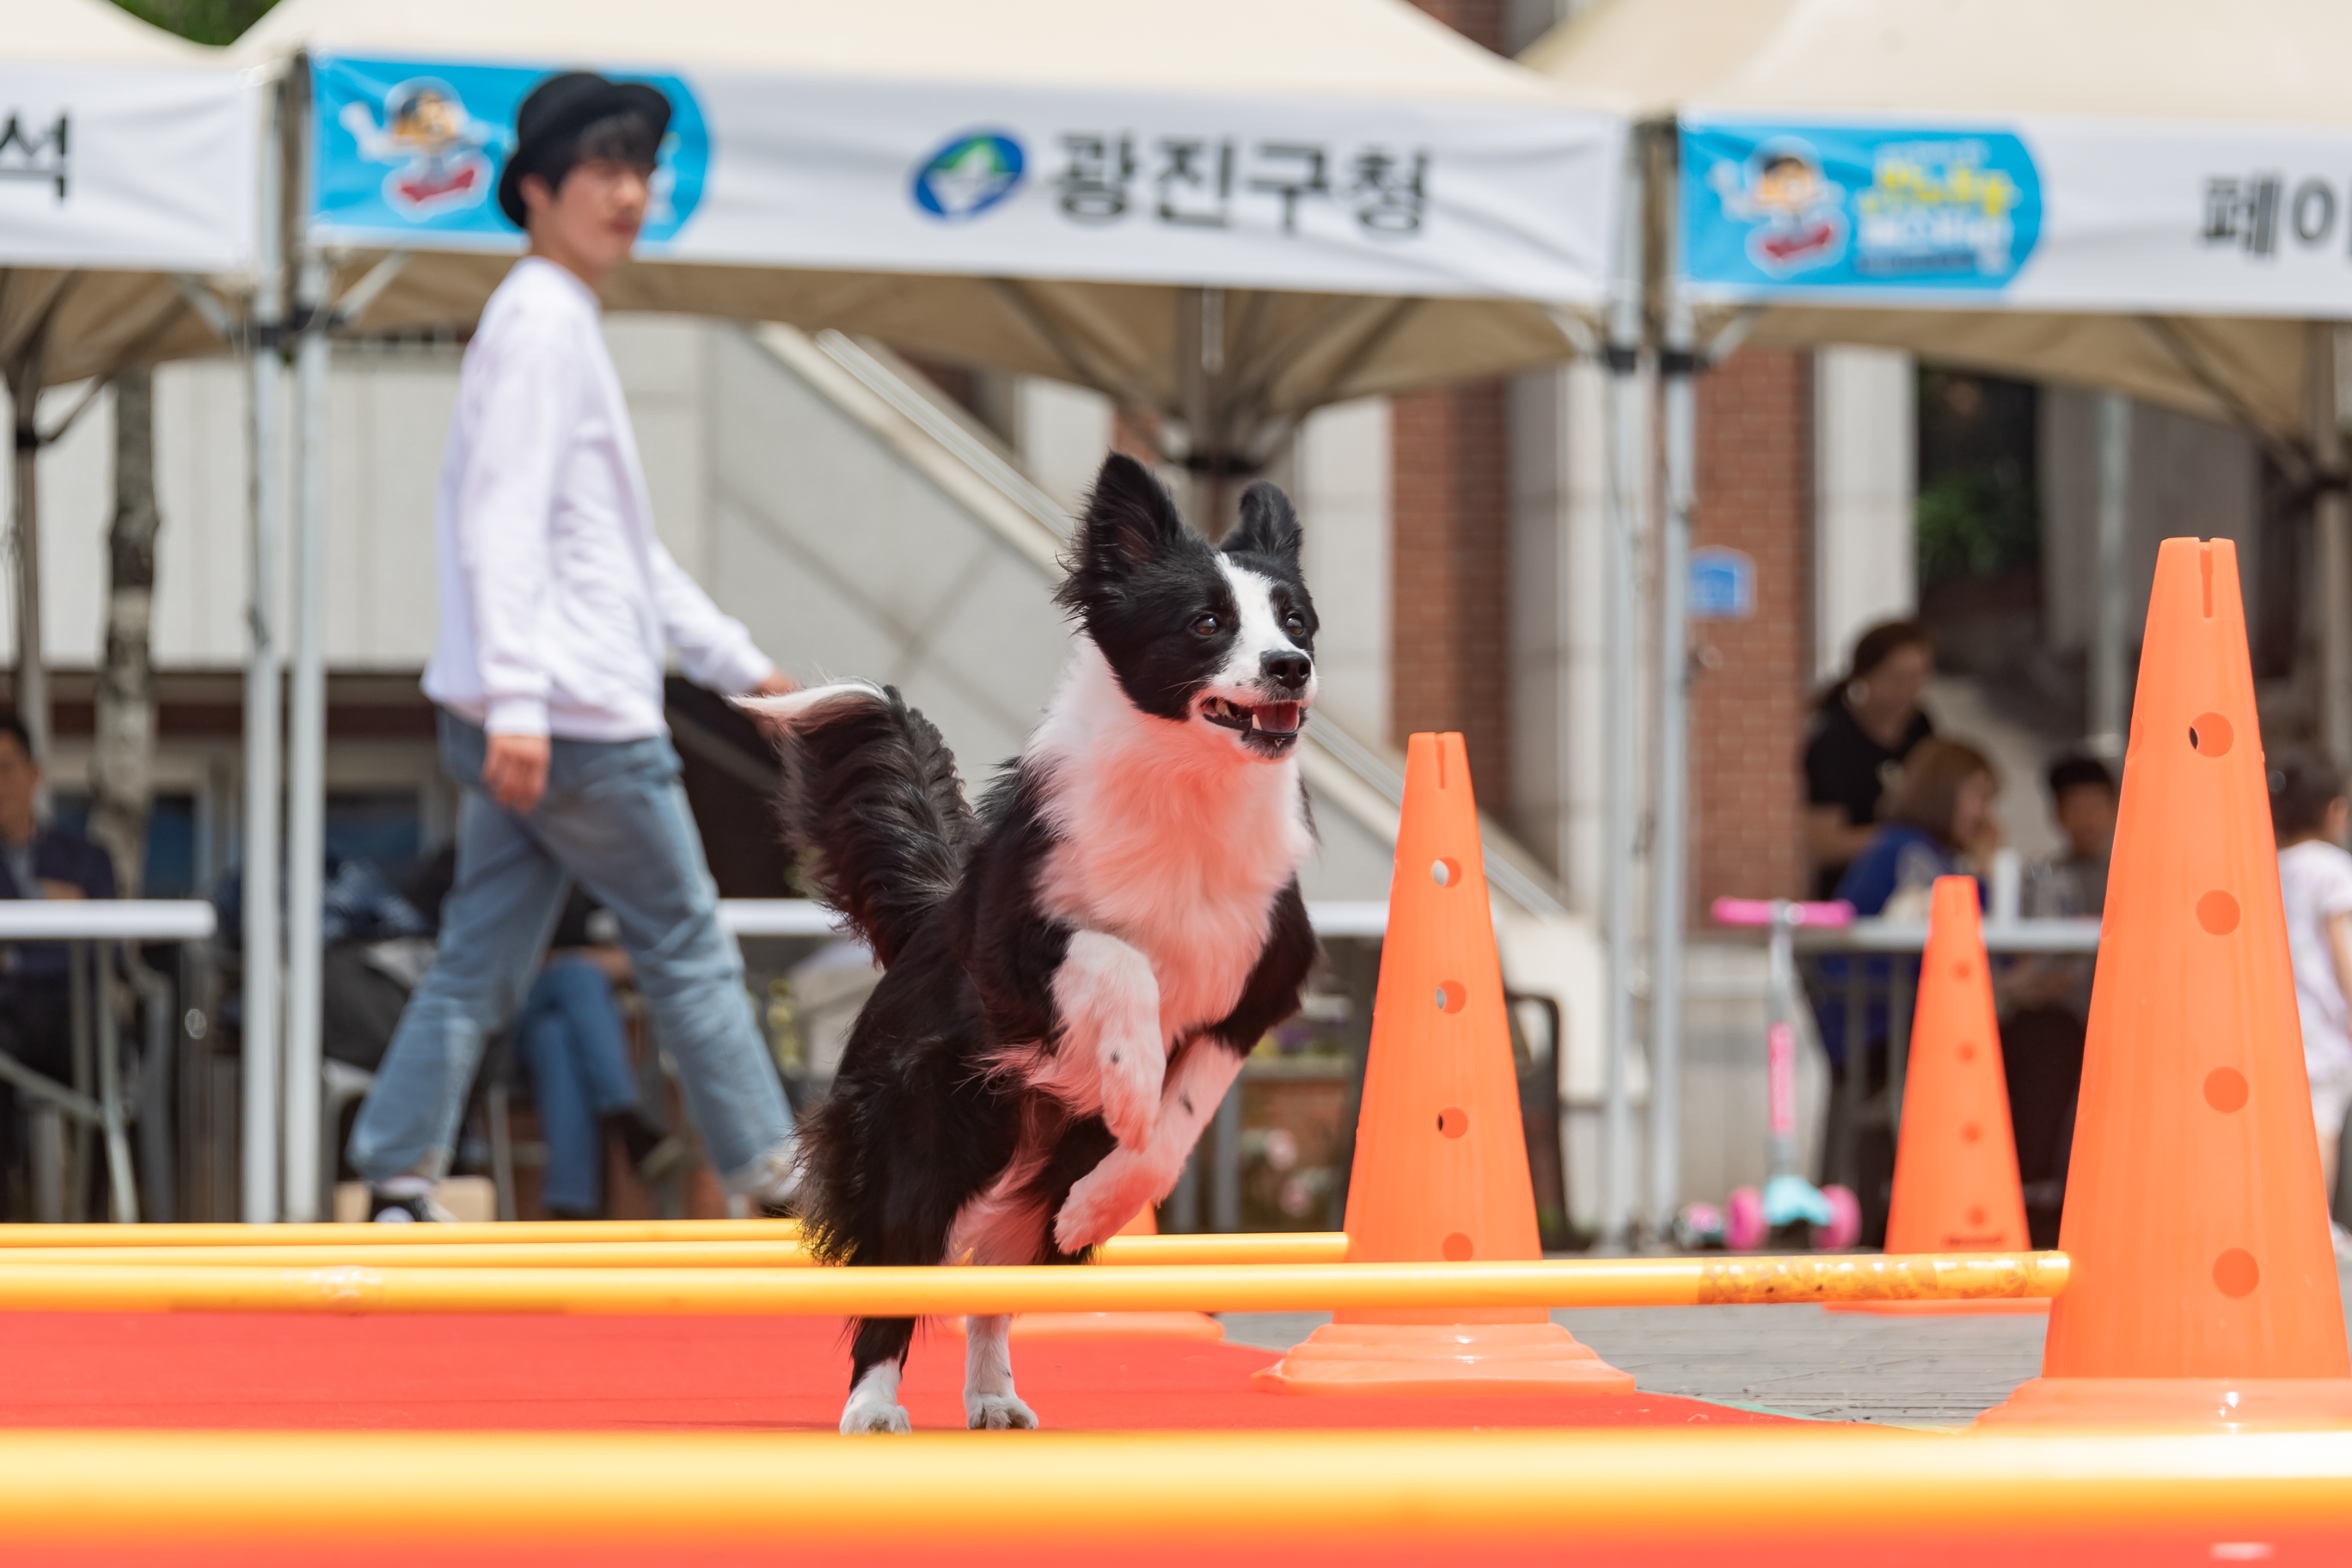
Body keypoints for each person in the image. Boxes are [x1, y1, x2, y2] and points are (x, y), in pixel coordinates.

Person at [347, 71, 799, 1223]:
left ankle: (397, 1167)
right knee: (688, 944)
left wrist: (734, 662)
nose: (629, 194)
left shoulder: (545, 318)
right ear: (536, 190)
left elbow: (614, 550)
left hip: (543, 711)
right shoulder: (545, 323)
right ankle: (777, 1175)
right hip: (574, 716)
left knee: (482, 953)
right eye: (601, 171)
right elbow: (503, 520)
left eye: (639, 171)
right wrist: (520, 704)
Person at [1813, 737, 2000, 1244]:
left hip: (1875, 1017)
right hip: (1883, 1024)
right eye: (1976, 796)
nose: (1983, 812)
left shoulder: (1913, 850)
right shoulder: (1910, 852)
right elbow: (1961, 915)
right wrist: (1986, 870)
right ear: (1947, 793)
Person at [1999, 753, 2117, 1246]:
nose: (2087, 818)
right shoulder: (2040, 878)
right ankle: (2038, 1195)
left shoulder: (2136, 871)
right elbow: (2025, 956)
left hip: (2119, 1017)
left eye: (2097, 806)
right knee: (2036, 1040)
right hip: (2061, 1016)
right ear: (2057, 815)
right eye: (2076, 807)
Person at [0, 714, 118, 1209]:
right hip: (5, 1016)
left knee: (110, 1068)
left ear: (35, 773)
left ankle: (96, 1235)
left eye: (4, 768)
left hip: (73, 1015)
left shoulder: (86, 859)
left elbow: (110, 946)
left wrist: (80, 913)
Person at [513, 890, 681, 1220]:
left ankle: (571, 1211)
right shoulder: (481, 864)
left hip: (550, 1032)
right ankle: (625, 1118)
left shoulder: (589, 878)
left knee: (556, 1037)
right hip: (503, 1022)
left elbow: (649, 957)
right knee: (579, 974)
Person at [2268, 747, 2352, 1257]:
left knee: (2279, 1127)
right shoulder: (2332, 869)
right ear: (2334, 810)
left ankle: (2283, 1222)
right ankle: (2312, 1226)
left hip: (2273, 1018)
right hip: (2321, 1023)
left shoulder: (2264, 867)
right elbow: (2344, 947)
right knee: (2321, 1124)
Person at [1803, 620, 1936, 897]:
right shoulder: (1835, 741)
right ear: (1865, 675)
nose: (1907, 690)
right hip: (1852, 898)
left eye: (1917, 678)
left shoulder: (1922, 728)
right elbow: (1822, 844)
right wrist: (1899, 839)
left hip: (1915, 893)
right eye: (1895, 678)